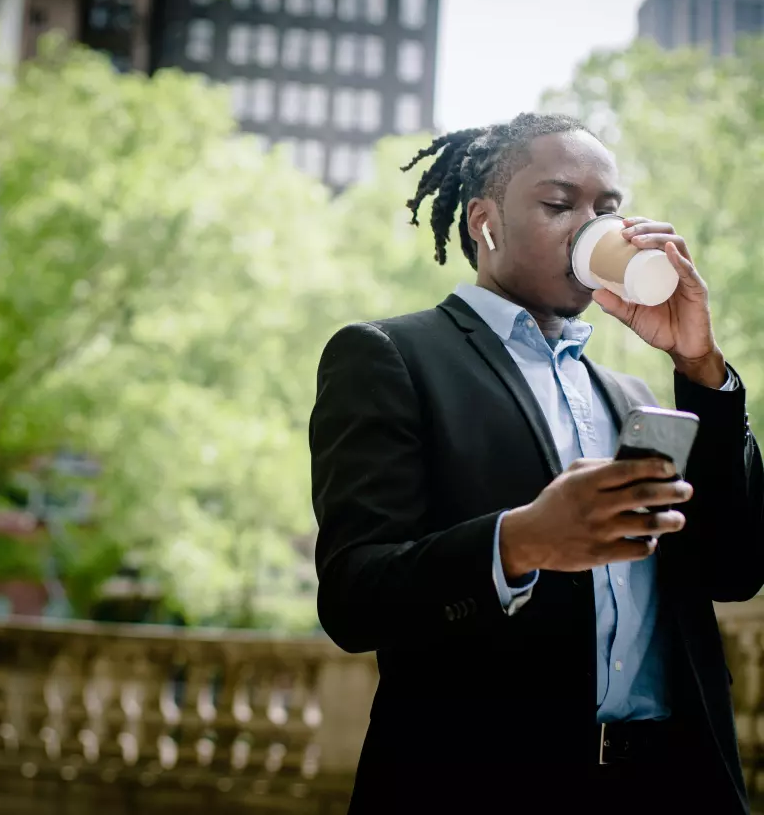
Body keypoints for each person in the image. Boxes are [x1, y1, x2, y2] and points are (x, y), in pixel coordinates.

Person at [308, 113, 764, 815]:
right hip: (488, 786)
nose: (591, 227)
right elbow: (353, 598)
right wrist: (519, 542)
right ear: (484, 222)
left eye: (607, 210)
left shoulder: (632, 397)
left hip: (672, 784)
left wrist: (698, 365)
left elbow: (733, 571)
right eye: (559, 205)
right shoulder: (388, 357)